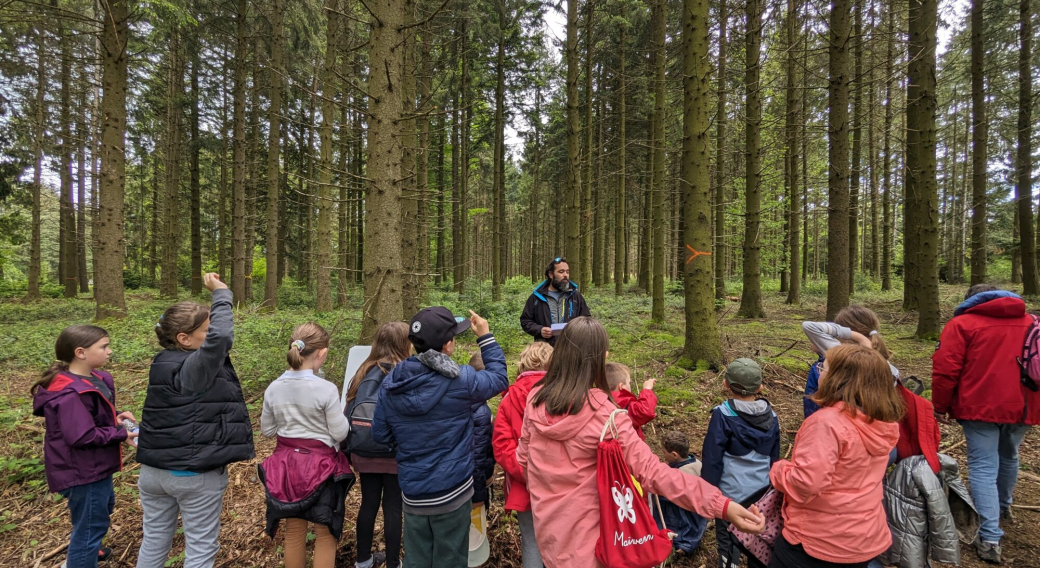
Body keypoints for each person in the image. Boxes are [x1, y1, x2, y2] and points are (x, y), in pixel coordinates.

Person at [517, 316, 766, 568]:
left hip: (550, 537)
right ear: (598, 359)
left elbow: (524, 460)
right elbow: (653, 473)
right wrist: (721, 504)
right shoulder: (607, 416)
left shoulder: (535, 399)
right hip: (596, 546)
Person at [372, 307, 508, 568]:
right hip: (453, 493)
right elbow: (499, 378)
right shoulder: (462, 381)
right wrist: (486, 337)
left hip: (413, 495)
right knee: (452, 560)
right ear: (448, 345)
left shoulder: (391, 385)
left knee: (417, 560)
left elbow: (380, 435)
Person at [135, 273, 255, 568]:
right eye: (206, 329)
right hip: (192, 475)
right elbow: (222, 340)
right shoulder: (194, 367)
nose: (212, 332)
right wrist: (222, 294)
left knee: (154, 538)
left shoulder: (163, 361)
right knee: (200, 547)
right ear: (184, 338)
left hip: (154, 472)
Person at [769, 345, 904, 568]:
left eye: (824, 367)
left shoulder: (826, 423)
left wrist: (779, 470)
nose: (818, 371)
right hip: (863, 536)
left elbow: (807, 483)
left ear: (840, 379)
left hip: (819, 538)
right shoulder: (882, 421)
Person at [932, 284, 1039, 563]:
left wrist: (940, 405)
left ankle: (990, 537)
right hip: (1025, 406)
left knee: (982, 465)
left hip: (978, 406)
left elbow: (946, 369)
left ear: (972, 300)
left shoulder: (962, 324)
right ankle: (1004, 506)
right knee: (1010, 454)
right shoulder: (1032, 322)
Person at [32, 325, 137, 568]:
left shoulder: (95, 379)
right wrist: (121, 433)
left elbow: (94, 417)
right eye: (104, 347)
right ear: (80, 352)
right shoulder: (69, 392)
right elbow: (82, 436)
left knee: (101, 508)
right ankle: (81, 558)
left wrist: (116, 417)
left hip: (95, 466)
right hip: (81, 471)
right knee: (91, 524)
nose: (109, 351)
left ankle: (87, 551)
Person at [259, 323, 352, 568]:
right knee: (325, 532)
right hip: (321, 468)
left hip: (287, 469)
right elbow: (340, 432)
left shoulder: (273, 389)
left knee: (294, 531)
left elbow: (267, 430)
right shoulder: (326, 389)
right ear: (321, 353)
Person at [701, 358, 780, 568]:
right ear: (760, 387)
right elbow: (775, 459)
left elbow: (712, 459)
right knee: (758, 539)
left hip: (729, 496)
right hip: (762, 495)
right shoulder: (772, 416)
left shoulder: (722, 415)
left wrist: (708, 492)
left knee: (727, 540)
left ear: (726, 384)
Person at [346, 321, 411, 568]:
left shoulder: (363, 371)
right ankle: (394, 562)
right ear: (405, 343)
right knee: (394, 507)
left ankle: (363, 560)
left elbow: (348, 409)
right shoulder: (407, 371)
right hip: (396, 453)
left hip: (364, 449)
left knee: (368, 503)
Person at [491, 341, 553, 568]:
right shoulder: (563, 392)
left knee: (531, 541)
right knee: (564, 540)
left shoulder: (509, 399)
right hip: (562, 485)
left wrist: (527, 472)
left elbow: (502, 447)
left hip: (525, 485)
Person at [802, 305, 899, 418]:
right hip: (868, 424)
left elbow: (809, 326)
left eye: (837, 327)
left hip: (833, 421)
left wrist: (859, 338)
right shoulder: (886, 365)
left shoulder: (843, 355)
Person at [653, 430, 708, 555]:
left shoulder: (681, 474)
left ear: (674, 455)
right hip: (699, 513)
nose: (663, 455)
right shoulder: (697, 463)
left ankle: (682, 544)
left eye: (664, 452)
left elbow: (666, 495)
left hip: (687, 516)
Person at [520, 257, 591, 346]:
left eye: (567, 272)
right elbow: (525, 321)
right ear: (551, 274)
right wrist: (540, 330)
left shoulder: (575, 296)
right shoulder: (537, 297)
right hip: (545, 349)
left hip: (571, 348)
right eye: (561, 272)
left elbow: (587, 320)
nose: (565, 275)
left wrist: (575, 331)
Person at [606, 362, 657, 441]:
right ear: (621, 386)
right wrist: (647, 389)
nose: (630, 385)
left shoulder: (601, 399)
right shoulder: (621, 403)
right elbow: (644, 411)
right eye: (629, 383)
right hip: (626, 444)